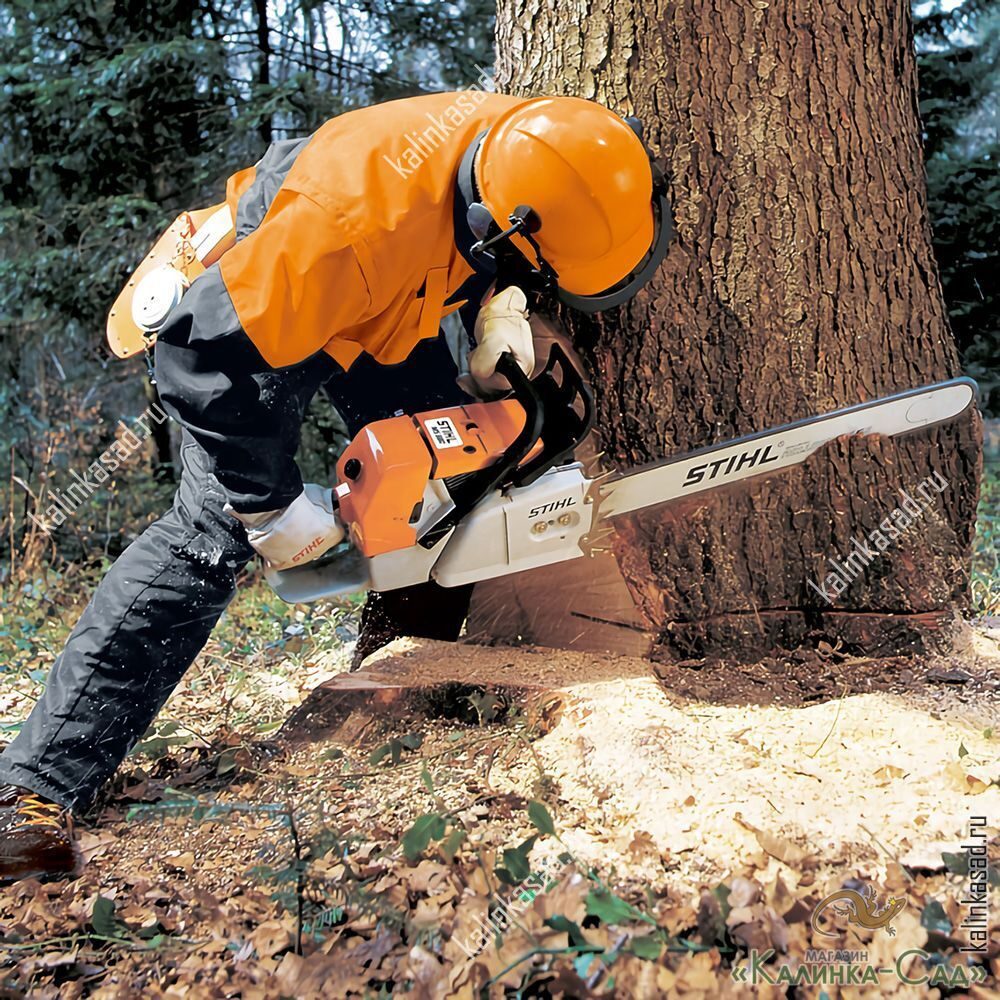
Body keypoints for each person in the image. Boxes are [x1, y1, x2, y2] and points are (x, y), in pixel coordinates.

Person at [0, 91, 672, 882]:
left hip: (394, 291)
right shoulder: (338, 239)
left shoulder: (556, 143)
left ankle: (394, 678)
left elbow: (519, 233)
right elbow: (194, 361)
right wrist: (269, 507)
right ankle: (31, 789)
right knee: (208, 537)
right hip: (263, 307)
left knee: (439, 481)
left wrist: (504, 306)